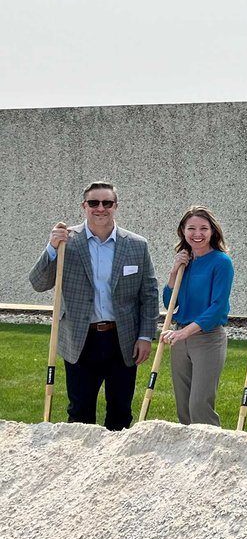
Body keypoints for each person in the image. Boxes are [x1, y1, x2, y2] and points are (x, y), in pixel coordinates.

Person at [28, 180, 159, 431]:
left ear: (116, 206)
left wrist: (145, 335)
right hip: (80, 339)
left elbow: (149, 294)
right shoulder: (68, 242)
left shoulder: (136, 245)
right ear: (84, 206)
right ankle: (79, 463)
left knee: (121, 410)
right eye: (94, 203)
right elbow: (38, 282)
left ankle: (114, 464)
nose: (101, 208)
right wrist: (52, 247)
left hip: (123, 339)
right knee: (80, 410)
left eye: (107, 203)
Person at [160, 206, 234, 426]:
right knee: (183, 406)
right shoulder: (186, 263)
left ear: (213, 231)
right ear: (183, 231)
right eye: (191, 228)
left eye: (203, 228)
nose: (197, 233)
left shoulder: (221, 262)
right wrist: (174, 271)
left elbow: (218, 308)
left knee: (199, 405)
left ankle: (212, 451)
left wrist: (185, 332)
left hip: (207, 337)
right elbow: (170, 303)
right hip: (181, 339)